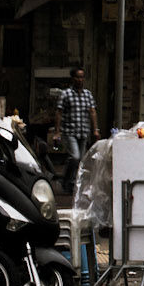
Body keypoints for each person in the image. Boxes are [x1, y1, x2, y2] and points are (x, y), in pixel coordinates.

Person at [56, 66, 99, 195]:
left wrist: (95, 129)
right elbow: (59, 112)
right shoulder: (66, 94)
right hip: (70, 131)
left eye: (82, 77)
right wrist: (57, 132)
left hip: (83, 131)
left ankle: (71, 183)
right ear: (72, 78)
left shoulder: (87, 94)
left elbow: (92, 112)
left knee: (80, 160)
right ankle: (66, 180)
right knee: (75, 157)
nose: (80, 80)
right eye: (77, 77)